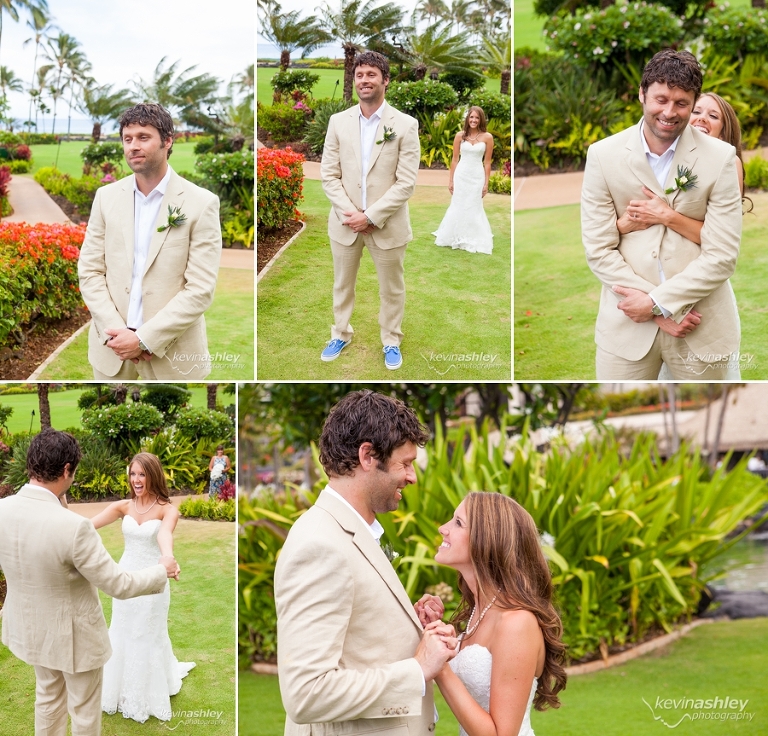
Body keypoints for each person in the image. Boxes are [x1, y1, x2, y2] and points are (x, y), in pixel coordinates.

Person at [274, 390, 458, 736]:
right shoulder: (319, 546)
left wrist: (407, 624)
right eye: (405, 463)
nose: (412, 477)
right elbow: (307, 694)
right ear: (368, 456)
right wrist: (417, 669)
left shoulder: (352, 530)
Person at [0, 429, 176, 736]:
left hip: (29, 631)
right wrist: (162, 570)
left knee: (48, 700)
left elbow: (47, 533)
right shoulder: (75, 528)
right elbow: (119, 585)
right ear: (67, 470)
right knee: (82, 713)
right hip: (74, 641)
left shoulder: (3, 510)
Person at [582, 49, 743, 379]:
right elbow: (598, 248)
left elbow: (723, 255)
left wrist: (659, 302)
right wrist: (655, 310)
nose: (669, 112)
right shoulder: (602, 155)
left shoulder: (722, 157)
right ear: (642, 94)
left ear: (693, 101)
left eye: (681, 103)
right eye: (661, 100)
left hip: (701, 326)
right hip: (626, 329)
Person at [78, 102, 222, 380]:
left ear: (167, 141)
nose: (133, 146)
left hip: (173, 357)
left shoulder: (201, 203)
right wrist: (116, 333)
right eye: (127, 139)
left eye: (143, 137)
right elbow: (90, 271)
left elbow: (200, 289)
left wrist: (144, 338)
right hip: (112, 353)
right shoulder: (105, 198)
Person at [616, 91, 748, 380]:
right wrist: (624, 225)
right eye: (697, 111)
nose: (702, 118)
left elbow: (718, 240)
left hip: (697, 285)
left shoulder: (729, 164)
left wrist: (667, 216)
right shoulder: (666, 157)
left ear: (725, 129)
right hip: (652, 282)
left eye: (713, 116)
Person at [428, 492, 567, 736]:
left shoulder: (517, 622)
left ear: (487, 540)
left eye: (458, 523)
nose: (443, 528)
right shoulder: (478, 612)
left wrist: (440, 667)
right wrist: (433, 632)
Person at [319, 51, 421, 371]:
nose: (365, 80)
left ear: (385, 80)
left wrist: (372, 216)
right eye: (360, 74)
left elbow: (406, 183)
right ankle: (340, 333)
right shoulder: (338, 122)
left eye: (371, 75)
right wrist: (352, 214)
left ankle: (391, 340)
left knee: (392, 287)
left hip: (387, 225)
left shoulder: (405, 125)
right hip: (345, 223)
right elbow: (329, 175)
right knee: (341, 284)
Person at [89, 452, 195, 723]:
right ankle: (118, 689)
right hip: (124, 578)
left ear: (153, 475)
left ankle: (147, 693)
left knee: (146, 632)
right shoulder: (123, 506)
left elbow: (164, 534)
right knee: (123, 629)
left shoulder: (167, 510)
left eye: (142, 474)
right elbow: (88, 526)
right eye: (133, 474)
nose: (136, 480)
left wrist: (167, 559)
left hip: (152, 580)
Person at [433, 106, 494, 254]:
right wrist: (451, 180)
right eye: (471, 117)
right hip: (461, 175)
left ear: (481, 120)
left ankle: (472, 237)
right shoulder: (460, 136)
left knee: (474, 205)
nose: (473, 120)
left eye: (477, 118)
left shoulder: (487, 137)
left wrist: (486, 183)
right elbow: (454, 160)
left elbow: (487, 162)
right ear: (467, 119)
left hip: (477, 176)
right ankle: (455, 236)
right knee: (458, 203)